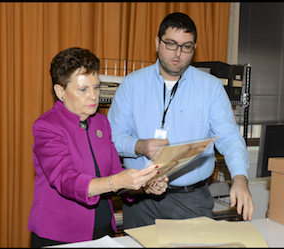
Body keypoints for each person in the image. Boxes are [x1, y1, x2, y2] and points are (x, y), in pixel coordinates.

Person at [107, 12, 255, 229]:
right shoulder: (132, 84)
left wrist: (240, 179)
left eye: (186, 47)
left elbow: (230, 138)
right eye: (171, 44)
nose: (178, 53)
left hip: (190, 201)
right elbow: (113, 136)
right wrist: (140, 146)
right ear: (157, 43)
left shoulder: (210, 87)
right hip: (141, 198)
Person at [27, 47, 168, 247]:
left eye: (96, 87)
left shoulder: (102, 123)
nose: (94, 96)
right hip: (60, 235)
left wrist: (145, 184)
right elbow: (66, 180)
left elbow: (115, 173)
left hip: (102, 232)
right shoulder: (47, 126)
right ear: (60, 92)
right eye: (83, 90)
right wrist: (116, 181)